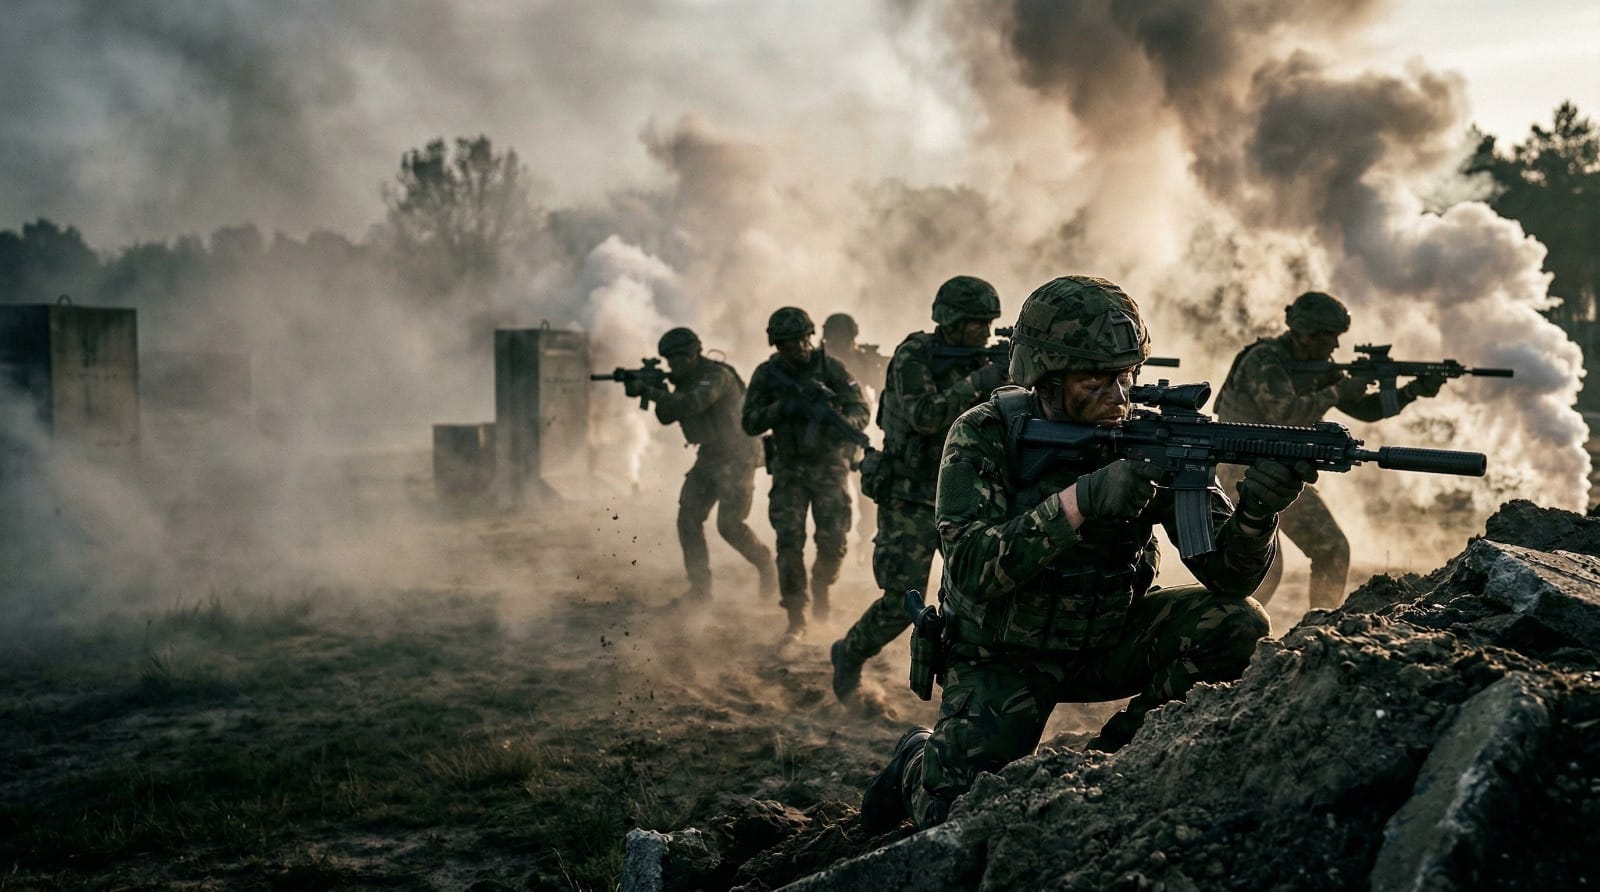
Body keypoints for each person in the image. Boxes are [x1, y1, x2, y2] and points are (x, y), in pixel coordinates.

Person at [859, 275, 1313, 832]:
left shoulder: (1152, 441)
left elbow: (1229, 578)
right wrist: (1080, 502)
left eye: (1127, 376)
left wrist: (1257, 515)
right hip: (1003, 653)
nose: (1118, 397)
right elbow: (973, 569)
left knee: (1238, 624)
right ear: (1045, 376)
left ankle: (1116, 761)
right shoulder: (984, 435)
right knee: (955, 815)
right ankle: (915, 759)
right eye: (1094, 379)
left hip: (1105, 638)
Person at [1212, 291, 1447, 610]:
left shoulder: (1318, 366)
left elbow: (1365, 409)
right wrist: (1339, 389)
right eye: (1329, 337)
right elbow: (1287, 416)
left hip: (1282, 473)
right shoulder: (1264, 360)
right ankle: (1234, 630)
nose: (1335, 346)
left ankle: (1317, 627)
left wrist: (1412, 391)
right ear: (1306, 334)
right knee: (1263, 567)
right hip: (1238, 472)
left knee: (1332, 548)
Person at [829, 276, 1004, 703]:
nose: (985, 332)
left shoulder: (980, 362)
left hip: (962, 495)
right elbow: (925, 415)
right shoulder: (915, 356)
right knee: (900, 603)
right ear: (951, 320)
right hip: (909, 497)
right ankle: (849, 654)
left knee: (981, 595)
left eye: (989, 323)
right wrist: (982, 378)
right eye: (976, 323)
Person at [741, 307, 871, 643]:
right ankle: (796, 614)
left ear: (810, 337)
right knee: (789, 542)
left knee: (834, 541)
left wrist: (841, 422)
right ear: (776, 344)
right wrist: (783, 408)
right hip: (789, 468)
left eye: (801, 340)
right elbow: (749, 421)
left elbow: (860, 409)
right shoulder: (767, 375)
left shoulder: (832, 368)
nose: (797, 348)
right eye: (787, 343)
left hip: (830, 466)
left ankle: (821, 586)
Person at [640, 327, 777, 604]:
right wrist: (657, 390)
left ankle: (766, 564)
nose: (673, 365)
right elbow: (667, 415)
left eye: (678, 358)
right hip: (711, 455)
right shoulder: (687, 379)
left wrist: (651, 392)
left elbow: (692, 404)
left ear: (693, 354)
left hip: (738, 455)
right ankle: (700, 590)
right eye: (669, 360)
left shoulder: (716, 376)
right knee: (688, 518)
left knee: (730, 525)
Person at [821, 312, 890, 562]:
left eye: (844, 337)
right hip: (825, 438)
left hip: (856, 433)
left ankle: (864, 539)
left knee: (866, 494)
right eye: (836, 338)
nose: (841, 343)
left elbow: (882, 390)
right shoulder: (819, 363)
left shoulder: (861, 360)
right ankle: (835, 548)